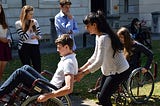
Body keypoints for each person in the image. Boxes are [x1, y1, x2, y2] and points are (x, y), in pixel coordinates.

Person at [0, 34, 78, 102]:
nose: (57, 50)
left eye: (59, 48)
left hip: (49, 90)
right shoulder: (69, 58)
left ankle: (1, 93)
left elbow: (68, 88)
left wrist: (48, 96)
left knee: (20, 73)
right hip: (50, 85)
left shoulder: (68, 63)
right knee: (26, 67)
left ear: (67, 47)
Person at [75, 10, 130, 106]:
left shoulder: (104, 38)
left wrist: (83, 73)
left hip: (119, 71)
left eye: (87, 26)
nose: (86, 28)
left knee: (104, 98)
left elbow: (98, 62)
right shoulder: (99, 36)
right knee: (101, 97)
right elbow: (95, 56)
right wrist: (81, 69)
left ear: (94, 25)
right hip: (109, 71)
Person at [15, 5, 42, 73]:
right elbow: (24, 38)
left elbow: (40, 36)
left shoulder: (35, 22)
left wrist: (36, 37)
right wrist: (30, 27)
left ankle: (38, 82)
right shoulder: (18, 23)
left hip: (35, 45)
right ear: (25, 14)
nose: (32, 16)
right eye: (30, 14)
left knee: (37, 66)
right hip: (24, 46)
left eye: (32, 14)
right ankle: (28, 83)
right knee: (27, 67)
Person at [0, 4, 12, 82]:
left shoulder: (3, 20)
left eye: (0, 7)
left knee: (2, 70)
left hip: (5, 46)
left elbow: (8, 33)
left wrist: (8, 39)